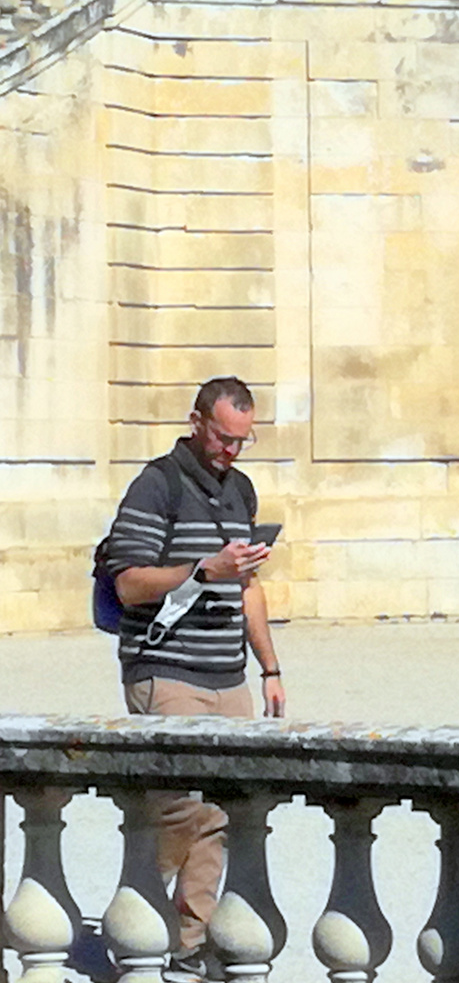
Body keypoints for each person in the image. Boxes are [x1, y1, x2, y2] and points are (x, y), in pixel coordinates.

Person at [101, 376, 285, 983]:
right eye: (225, 437)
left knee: (224, 814)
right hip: (166, 668)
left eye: (243, 441)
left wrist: (271, 669)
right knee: (186, 810)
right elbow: (129, 582)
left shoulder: (242, 491)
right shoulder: (157, 486)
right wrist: (203, 567)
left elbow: (248, 590)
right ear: (197, 421)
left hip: (225, 673)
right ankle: (139, 906)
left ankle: (185, 946)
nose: (232, 450)